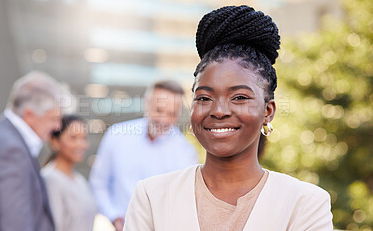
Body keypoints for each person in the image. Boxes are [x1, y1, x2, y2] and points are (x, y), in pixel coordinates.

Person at [123, 5, 333, 231]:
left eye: (239, 97)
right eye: (204, 98)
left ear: (268, 111)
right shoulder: (151, 197)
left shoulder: (305, 204)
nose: (219, 110)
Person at [89, 80, 199, 231]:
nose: (164, 120)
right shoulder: (117, 135)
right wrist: (114, 216)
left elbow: (184, 201)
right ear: (147, 104)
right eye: (159, 110)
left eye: (171, 114)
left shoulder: (186, 153)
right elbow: (98, 183)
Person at [0, 71, 63, 231]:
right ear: (29, 115)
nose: (57, 127)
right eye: (53, 118)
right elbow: (15, 225)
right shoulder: (12, 150)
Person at [41, 115, 97, 231]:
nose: (80, 144)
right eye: (73, 138)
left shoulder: (79, 180)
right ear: (54, 141)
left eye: (84, 138)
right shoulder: (51, 179)